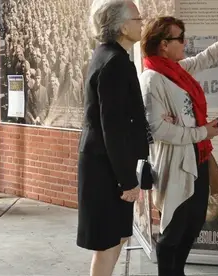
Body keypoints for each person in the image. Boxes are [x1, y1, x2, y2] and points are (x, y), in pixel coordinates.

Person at [139, 13, 218, 275]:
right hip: (175, 164)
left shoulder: (176, 71)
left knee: (194, 223)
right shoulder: (152, 79)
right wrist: (201, 132)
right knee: (173, 228)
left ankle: (178, 271)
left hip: (197, 158)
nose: (185, 43)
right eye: (180, 39)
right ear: (164, 44)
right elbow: (160, 129)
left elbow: (206, 57)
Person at [76, 1, 149, 276]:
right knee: (107, 242)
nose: (142, 22)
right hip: (105, 167)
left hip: (106, 163)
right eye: (137, 18)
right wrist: (127, 181)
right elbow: (113, 127)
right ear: (122, 26)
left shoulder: (109, 55)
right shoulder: (115, 62)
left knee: (117, 237)